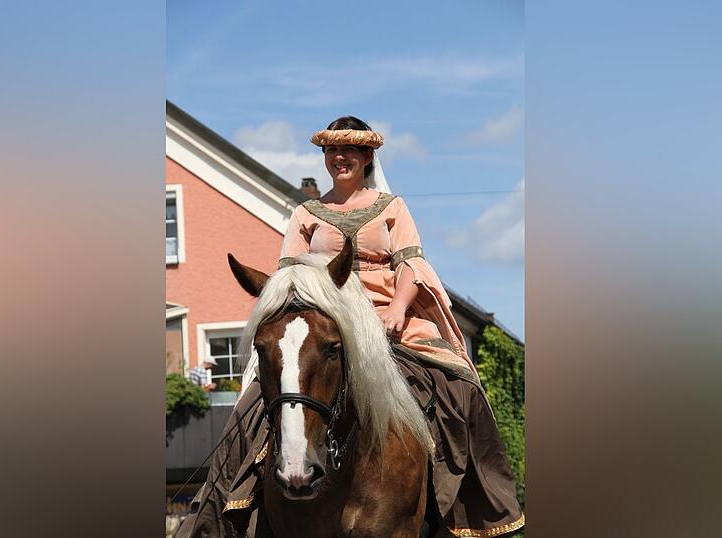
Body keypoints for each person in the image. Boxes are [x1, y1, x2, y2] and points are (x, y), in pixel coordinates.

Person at [177, 117, 524, 538]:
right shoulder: (305, 214)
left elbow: (411, 264)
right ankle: (219, 515)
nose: (339, 158)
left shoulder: (391, 207)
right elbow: (288, 276)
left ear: (366, 158)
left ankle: (475, 508)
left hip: (385, 316)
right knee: (250, 405)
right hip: (324, 321)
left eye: (349, 151)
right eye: (331, 151)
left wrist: (398, 308)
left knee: (461, 385)